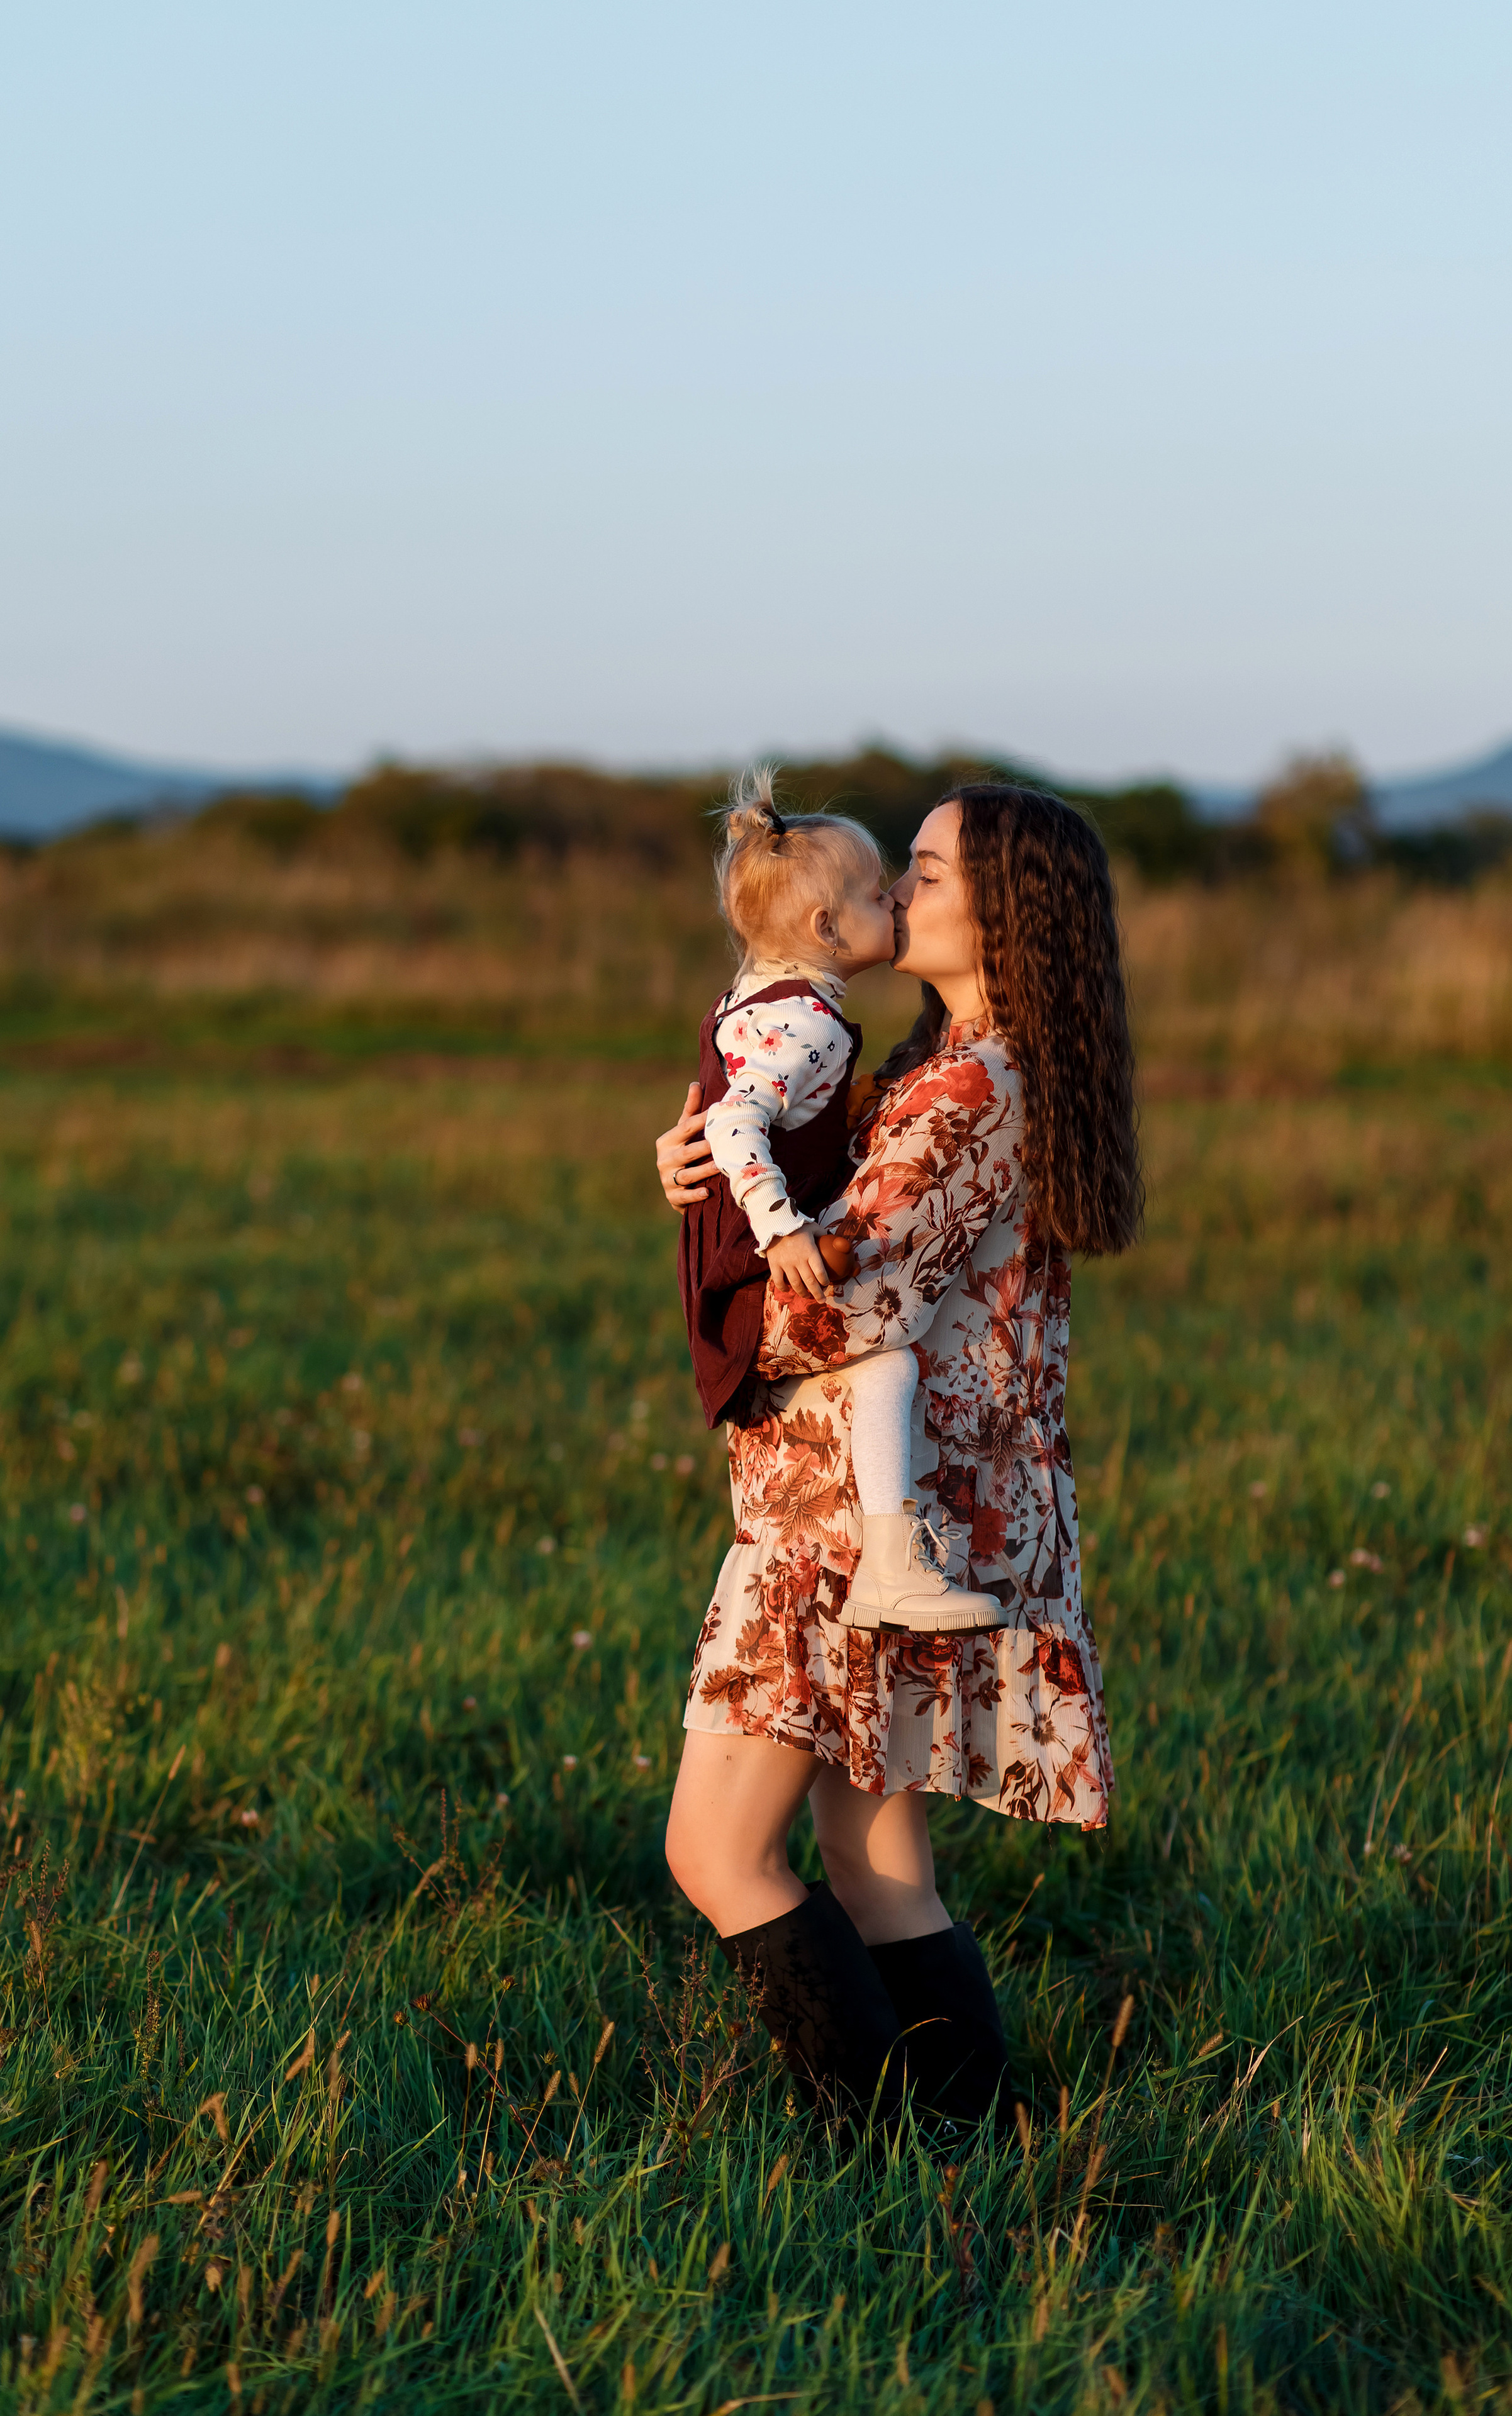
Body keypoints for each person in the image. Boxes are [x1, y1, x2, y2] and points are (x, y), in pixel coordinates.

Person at [656, 783, 1142, 2129]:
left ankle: (872, 2146)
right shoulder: (953, 1068)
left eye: (922, 873)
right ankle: (967, 2148)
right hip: (897, 1507)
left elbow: (833, 1301)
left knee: (715, 1849)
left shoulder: (968, 1089)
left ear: (1005, 908)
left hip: (854, 1525)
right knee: (872, 1869)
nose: (894, 896)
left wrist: (719, 1250)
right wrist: (708, 1166)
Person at [681, 766, 1002, 1635]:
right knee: (889, 1358)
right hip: (764, 1279)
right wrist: (778, 1225)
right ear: (826, 927)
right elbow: (738, 1120)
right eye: (881, 889)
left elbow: (732, 1113)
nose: (895, 899)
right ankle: (896, 1562)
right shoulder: (812, 1023)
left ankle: (890, 1562)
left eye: (921, 877)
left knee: (870, 1774)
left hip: (749, 1292)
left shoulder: (757, 999)